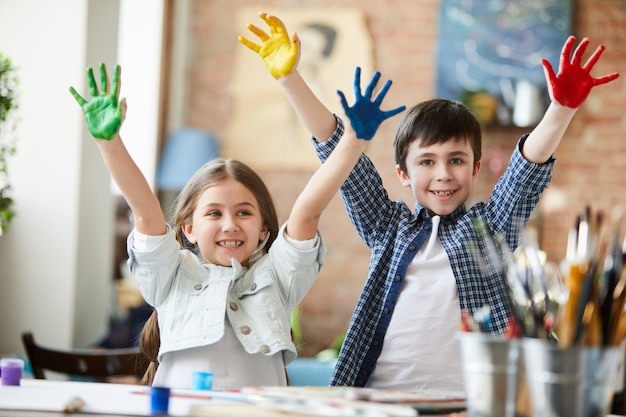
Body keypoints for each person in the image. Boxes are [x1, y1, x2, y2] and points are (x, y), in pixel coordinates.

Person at [240, 13, 619, 392]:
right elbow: (339, 153)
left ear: (475, 170)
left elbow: (525, 173)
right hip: (378, 400)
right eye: (426, 162)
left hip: (468, 404)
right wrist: (290, 79)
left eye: (456, 160)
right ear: (403, 173)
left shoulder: (489, 231)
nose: (443, 174)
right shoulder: (387, 227)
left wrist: (561, 109)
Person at [67, 58, 400, 390]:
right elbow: (146, 213)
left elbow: (307, 212)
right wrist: (109, 143)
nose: (230, 225)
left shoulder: (279, 276)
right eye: (214, 214)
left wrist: (354, 139)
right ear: (188, 228)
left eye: (244, 213)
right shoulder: (171, 275)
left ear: (264, 231)